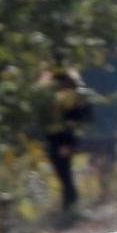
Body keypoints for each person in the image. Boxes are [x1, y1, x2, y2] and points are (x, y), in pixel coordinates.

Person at [42, 68, 95, 214]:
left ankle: (71, 207)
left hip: (64, 140)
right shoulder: (53, 96)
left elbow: (74, 121)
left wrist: (67, 144)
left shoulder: (71, 96)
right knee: (63, 175)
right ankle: (69, 207)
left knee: (65, 176)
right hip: (55, 140)